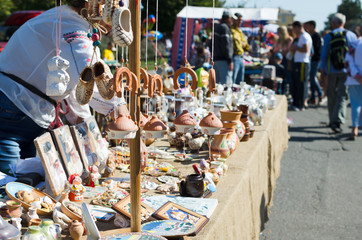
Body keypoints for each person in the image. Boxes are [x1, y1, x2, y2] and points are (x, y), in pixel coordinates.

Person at [0, 0, 123, 174]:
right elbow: (89, 77)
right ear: (95, 6)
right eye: (111, 10)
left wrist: (86, 127)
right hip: (13, 105)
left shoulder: (67, 19)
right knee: (8, 180)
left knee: (25, 178)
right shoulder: (71, 24)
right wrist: (120, 112)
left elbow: (74, 83)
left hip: (23, 109)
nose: (111, 23)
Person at [319, 13, 357, 133]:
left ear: (333, 23)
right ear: (344, 23)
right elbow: (354, 55)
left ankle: (332, 119)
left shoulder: (328, 36)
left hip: (331, 70)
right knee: (342, 95)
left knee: (331, 94)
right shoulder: (351, 36)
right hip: (346, 71)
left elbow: (324, 55)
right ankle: (337, 120)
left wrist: (322, 70)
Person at [290, 21, 313, 111]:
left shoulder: (304, 36)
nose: (293, 31)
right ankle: (297, 103)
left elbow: (306, 49)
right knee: (297, 83)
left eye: (294, 29)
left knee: (301, 84)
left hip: (302, 62)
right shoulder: (303, 36)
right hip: (299, 62)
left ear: (297, 27)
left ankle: (300, 104)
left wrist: (295, 47)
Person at [345, 37, 362, 140]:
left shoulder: (355, 44)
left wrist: (357, 76)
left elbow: (347, 62)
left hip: (354, 79)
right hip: (355, 78)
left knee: (356, 104)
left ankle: (354, 127)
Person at [304, 20, 323, 105]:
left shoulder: (316, 36)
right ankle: (314, 96)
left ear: (312, 26)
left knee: (312, 77)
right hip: (312, 60)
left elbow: (316, 49)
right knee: (311, 78)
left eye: (307, 26)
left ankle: (319, 93)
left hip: (315, 60)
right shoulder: (311, 35)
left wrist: (311, 55)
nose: (306, 28)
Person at [214, 10, 233, 85]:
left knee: (217, 85)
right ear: (228, 18)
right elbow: (226, 45)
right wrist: (230, 60)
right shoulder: (225, 28)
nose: (232, 20)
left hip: (216, 59)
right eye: (231, 18)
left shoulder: (217, 27)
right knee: (225, 86)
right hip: (223, 60)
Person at [230, 13, 249, 84]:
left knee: (240, 80)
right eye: (239, 20)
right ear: (234, 20)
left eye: (241, 20)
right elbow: (236, 43)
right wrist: (241, 43)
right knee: (233, 80)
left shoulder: (239, 31)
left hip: (241, 57)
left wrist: (241, 43)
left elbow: (246, 44)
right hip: (234, 56)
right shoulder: (231, 30)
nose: (240, 22)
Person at [274, 26, 293, 94]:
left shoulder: (288, 40)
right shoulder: (278, 40)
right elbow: (275, 49)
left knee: (286, 77)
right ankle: (280, 91)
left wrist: (281, 52)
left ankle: (285, 92)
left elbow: (290, 51)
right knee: (279, 77)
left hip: (286, 60)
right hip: (279, 60)